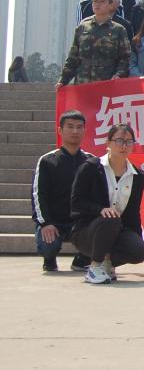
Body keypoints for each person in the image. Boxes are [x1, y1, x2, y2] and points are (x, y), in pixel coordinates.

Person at [69, 123, 144, 284]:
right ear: (108, 143)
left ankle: (108, 263)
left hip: (117, 231)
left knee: (139, 251)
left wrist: (137, 240)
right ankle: (94, 267)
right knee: (111, 217)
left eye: (128, 142)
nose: (124, 146)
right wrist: (100, 209)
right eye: (119, 141)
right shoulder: (91, 168)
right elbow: (76, 202)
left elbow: (133, 213)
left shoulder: (137, 176)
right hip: (87, 231)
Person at [33, 110, 94, 272]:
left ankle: (82, 259)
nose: (75, 131)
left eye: (79, 127)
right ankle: (49, 259)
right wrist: (45, 223)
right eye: (70, 126)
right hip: (54, 221)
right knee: (48, 243)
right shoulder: (47, 160)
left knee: (101, 227)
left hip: (80, 222)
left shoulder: (91, 161)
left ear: (84, 130)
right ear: (60, 130)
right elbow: (38, 194)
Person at [58, 0, 131, 86]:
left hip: (107, 82)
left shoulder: (119, 30)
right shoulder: (83, 27)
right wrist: (63, 80)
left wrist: (119, 75)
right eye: (95, 1)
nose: (97, 4)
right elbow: (73, 57)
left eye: (102, 1)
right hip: (83, 82)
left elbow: (125, 58)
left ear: (110, 4)